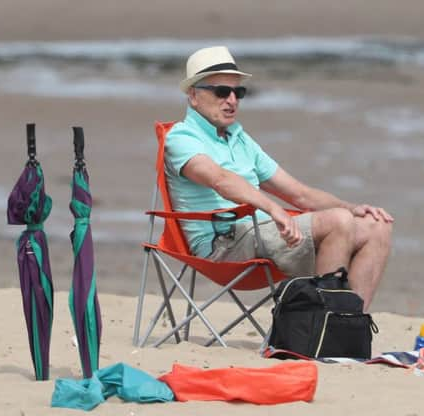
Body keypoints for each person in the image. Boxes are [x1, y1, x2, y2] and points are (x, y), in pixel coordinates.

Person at [164, 46, 393, 311]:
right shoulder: (181, 138)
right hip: (222, 244)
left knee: (377, 226)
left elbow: (300, 194)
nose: (232, 100)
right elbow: (220, 179)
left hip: (262, 234)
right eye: (221, 92)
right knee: (338, 222)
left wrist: (352, 208)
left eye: (238, 92)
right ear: (193, 96)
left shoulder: (240, 139)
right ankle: (323, 328)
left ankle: (349, 326)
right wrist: (273, 209)